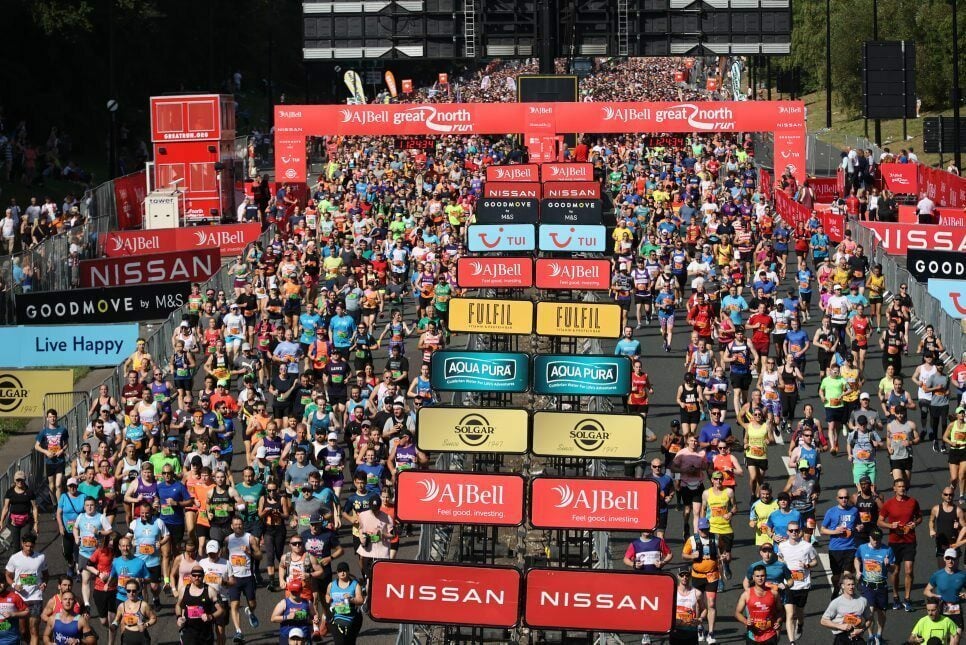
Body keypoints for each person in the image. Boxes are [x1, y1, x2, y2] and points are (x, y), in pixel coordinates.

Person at [878, 477, 922, 611]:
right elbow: (880, 521)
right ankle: (896, 597)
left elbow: (919, 517)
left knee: (909, 570)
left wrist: (915, 523)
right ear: (894, 489)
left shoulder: (913, 502)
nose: (902, 488)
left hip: (909, 541)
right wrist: (891, 525)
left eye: (903, 486)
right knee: (895, 571)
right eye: (899, 486)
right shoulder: (889, 504)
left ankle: (907, 599)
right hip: (894, 541)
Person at [776, 520, 818, 645]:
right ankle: (792, 641)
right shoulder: (782, 545)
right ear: (787, 532)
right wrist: (781, 564)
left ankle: (800, 624)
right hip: (789, 585)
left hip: (803, 584)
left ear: (799, 531)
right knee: (790, 614)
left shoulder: (807, 546)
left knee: (799, 612)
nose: (794, 532)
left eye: (796, 530)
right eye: (791, 530)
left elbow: (815, 562)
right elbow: (779, 558)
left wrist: (807, 565)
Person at [682, 517, 721, 644]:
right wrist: (691, 556)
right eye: (702, 529)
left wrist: (724, 558)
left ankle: (711, 633)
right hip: (697, 576)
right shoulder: (692, 540)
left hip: (712, 576)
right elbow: (684, 555)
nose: (704, 531)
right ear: (698, 529)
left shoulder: (715, 538)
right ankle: (699, 626)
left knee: (711, 604)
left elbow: (722, 552)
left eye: (706, 529)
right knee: (698, 601)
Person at [5, 532, 47, 645]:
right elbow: (8, 575)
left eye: (31, 546)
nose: (29, 548)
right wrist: (14, 585)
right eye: (26, 545)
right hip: (20, 599)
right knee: (23, 631)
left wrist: (44, 583)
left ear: (34, 545)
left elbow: (45, 574)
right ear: (23, 544)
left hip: (35, 597)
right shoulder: (15, 558)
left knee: (34, 630)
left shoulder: (40, 557)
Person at [854, 527, 894, 645]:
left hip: (881, 586)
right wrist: (858, 571)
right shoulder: (862, 548)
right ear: (870, 538)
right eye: (874, 539)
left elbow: (893, 569)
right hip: (867, 585)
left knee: (881, 613)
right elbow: (857, 559)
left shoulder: (887, 550)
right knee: (869, 612)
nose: (876, 541)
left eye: (878, 539)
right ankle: (870, 635)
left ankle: (879, 634)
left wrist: (888, 565)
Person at [225, 516, 261, 643]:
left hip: (247, 577)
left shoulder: (250, 538)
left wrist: (249, 552)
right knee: (234, 604)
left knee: (252, 603)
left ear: (243, 525)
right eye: (235, 524)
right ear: (231, 526)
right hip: (234, 578)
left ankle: (250, 612)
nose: (238, 526)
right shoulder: (228, 539)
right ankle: (238, 631)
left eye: (240, 524)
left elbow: (259, 555)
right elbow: (223, 556)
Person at [821, 488, 859, 595]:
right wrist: (835, 531)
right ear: (837, 498)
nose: (844, 500)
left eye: (846, 497)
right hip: (835, 549)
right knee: (836, 577)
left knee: (847, 575)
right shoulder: (831, 512)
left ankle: (847, 598)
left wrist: (858, 527)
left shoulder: (854, 511)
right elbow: (822, 530)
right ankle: (837, 588)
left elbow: (857, 524)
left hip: (850, 547)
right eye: (841, 498)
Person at [734, 564, 783, 645]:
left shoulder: (774, 593)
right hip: (753, 635)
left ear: (766, 576)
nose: (760, 578)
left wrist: (778, 621)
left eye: (762, 576)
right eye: (757, 576)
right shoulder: (747, 594)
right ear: (753, 577)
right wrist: (746, 621)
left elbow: (781, 611)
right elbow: (737, 613)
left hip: (770, 634)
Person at [175, 565, 223, 645]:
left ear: (203, 576)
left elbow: (221, 610)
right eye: (194, 575)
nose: (197, 577)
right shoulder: (184, 590)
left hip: (205, 632)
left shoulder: (210, 591)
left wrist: (210, 616)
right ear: (190, 576)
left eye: (199, 575)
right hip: (188, 630)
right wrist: (179, 617)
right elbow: (178, 605)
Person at [820, 572, 870, 645]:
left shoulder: (863, 601)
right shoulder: (836, 602)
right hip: (841, 637)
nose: (851, 587)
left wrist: (862, 630)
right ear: (843, 586)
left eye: (852, 584)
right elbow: (823, 621)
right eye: (848, 585)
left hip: (857, 635)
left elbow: (869, 619)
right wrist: (840, 626)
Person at [926, 548, 966, 628]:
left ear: (957, 559)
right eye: (948, 558)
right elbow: (927, 591)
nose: (950, 561)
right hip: (941, 609)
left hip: (955, 610)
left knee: (957, 635)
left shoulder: (963, 576)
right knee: (943, 636)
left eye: (953, 558)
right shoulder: (937, 575)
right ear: (944, 559)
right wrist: (936, 596)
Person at [35, 408, 70, 502]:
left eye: (54, 417)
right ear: (47, 418)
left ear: (56, 417)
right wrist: (46, 452)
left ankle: (60, 507)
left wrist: (62, 450)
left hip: (60, 461)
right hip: (49, 461)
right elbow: (36, 446)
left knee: (58, 484)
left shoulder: (63, 430)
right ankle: (54, 504)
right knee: (52, 485)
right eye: (50, 417)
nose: (52, 419)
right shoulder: (44, 432)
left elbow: (66, 443)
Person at [325, 562, 364, 645]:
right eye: (340, 571)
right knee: (339, 642)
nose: (342, 573)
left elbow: (361, 600)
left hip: (352, 619)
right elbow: (327, 594)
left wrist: (351, 599)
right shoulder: (331, 585)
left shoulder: (355, 585)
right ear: (337, 573)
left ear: (348, 571)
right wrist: (328, 598)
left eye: (344, 571)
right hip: (335, 618)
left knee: (350, 642)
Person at [0, 469, 38, 551]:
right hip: (13, 522)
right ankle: (16, 562)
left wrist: (36, 523)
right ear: (15, 480)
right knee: (16, 546)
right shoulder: (10, 492)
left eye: (21, 480)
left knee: (26, 543)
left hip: (26, 522)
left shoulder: (29, 492)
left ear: (24, 480)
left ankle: (26, 561)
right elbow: (6, 507)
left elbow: (34, 508)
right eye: (18, 480)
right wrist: (1, 521)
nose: (20, 482)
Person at [270, 579, 316, 645]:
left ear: (301, 591)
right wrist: (287, 617)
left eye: (296, 591)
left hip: (303, 636)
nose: (294, 593)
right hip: (287, 636)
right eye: (292, 591)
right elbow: (273, 618)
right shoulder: (284, 603)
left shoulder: (307, 603)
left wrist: (314, 620)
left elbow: (314, 617)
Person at [668, 569, 706, 645]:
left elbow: (704, 609)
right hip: (675, 632)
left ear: (690, 576)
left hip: (691, 633)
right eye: (682, 575)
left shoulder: (697, 593)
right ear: (678, 576)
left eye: (687, 575)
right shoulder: (672, 591)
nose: (684, 577)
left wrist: (700, 619)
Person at [114, 579, 157, 645]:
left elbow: (153, 618)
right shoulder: (122, 606)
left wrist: (146, 625)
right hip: (127, 638)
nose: (131, 593)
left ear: (138, 591)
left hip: (142, 638)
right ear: (126, 591)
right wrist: (113, 625)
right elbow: (117, 620)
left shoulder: (143, 605)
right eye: (128, 591)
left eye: (134, 591)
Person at [931, 488, 966, 569]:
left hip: (953, 544)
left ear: (953, 496)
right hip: (941, 544)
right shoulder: (936, 509)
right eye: (946, 494)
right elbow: (931, 520)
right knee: (942, 571)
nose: (948, 496)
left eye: (950, 495)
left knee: (953, 570)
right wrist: (931, 529)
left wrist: (959, 528)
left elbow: (964, 527)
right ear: (942, 495)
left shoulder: (958, 511)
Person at [0, 572, 30, 645]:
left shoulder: (14, 597)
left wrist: (13, 614)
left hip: (10, 640)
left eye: (1, 582)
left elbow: (27, 612)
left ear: (6, 583)